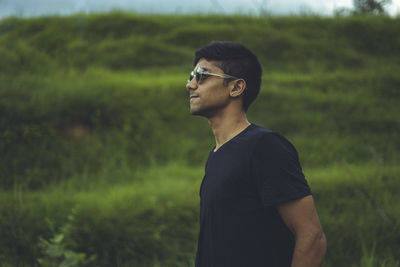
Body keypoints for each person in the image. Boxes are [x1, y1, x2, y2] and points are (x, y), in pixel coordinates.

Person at [186, 41, 327, 267]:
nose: (191, 85)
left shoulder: (263, 146)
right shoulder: (216, 155)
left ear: (236, 87)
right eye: (191, 77)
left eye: (202, 75)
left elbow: (312, 238)